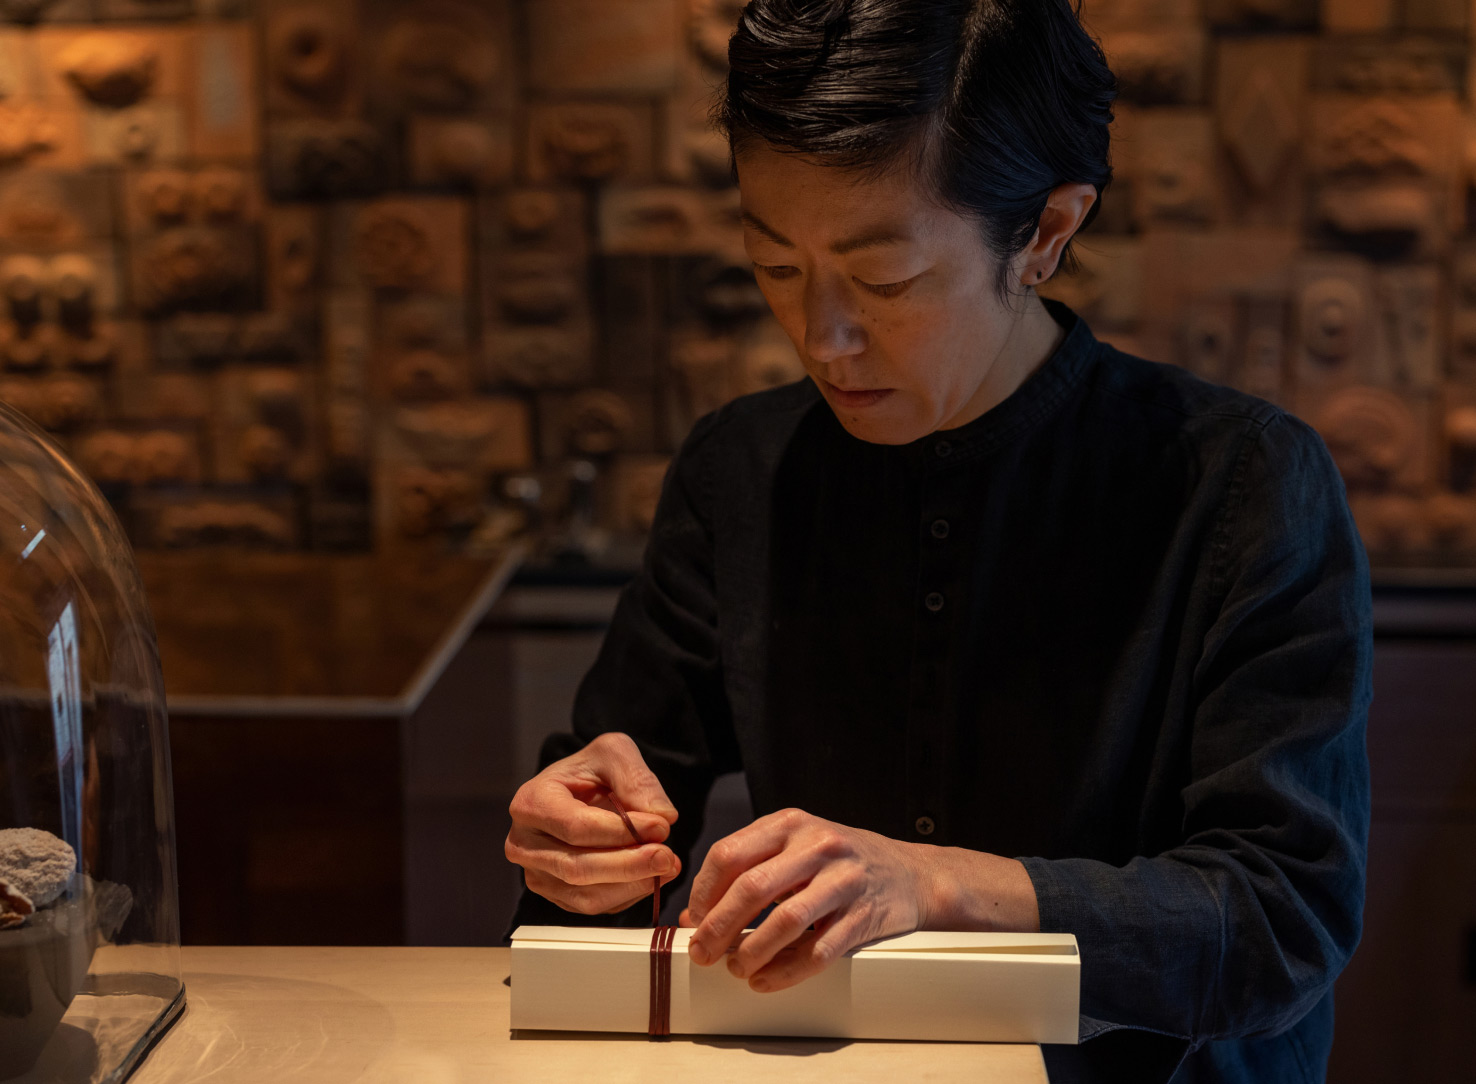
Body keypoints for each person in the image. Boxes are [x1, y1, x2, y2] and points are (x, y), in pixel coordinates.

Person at [503, 2, 1372, 1081]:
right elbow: (617, 798)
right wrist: (574, 845)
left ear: (1047, 232)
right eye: (776, 265)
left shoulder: (1242, 484)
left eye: (886, 280)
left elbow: (1282, 919)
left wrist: (936, 881)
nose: (822, 336)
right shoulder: (742, 469)